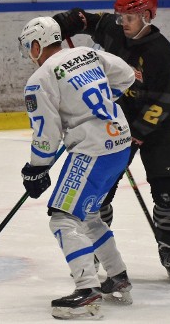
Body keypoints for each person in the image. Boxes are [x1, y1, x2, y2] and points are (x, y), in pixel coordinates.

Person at [52, 0, 170, 283]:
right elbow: (82, 19)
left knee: (168, 192)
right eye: (120, 16)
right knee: (100, 194)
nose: (123, 22)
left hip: (157, 128)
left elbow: (161, 103)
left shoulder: (162, 54)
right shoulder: (113, 30)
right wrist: (61, 23)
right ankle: (100, 249)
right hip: (117, 124)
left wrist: (137, 134)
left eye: (130, 17)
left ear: (147, 16)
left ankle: (167, 247)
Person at [18, 16, 135, 319]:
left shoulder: (40, 79)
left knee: (63, 218)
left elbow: (47, 133)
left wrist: (36, 168)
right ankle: (117, 276)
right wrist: (101, 106)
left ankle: (87, 289)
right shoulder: (87, 52)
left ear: (35, 45)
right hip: (121, 143)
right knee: (89, 214)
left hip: (93, 150)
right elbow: (126, 75)